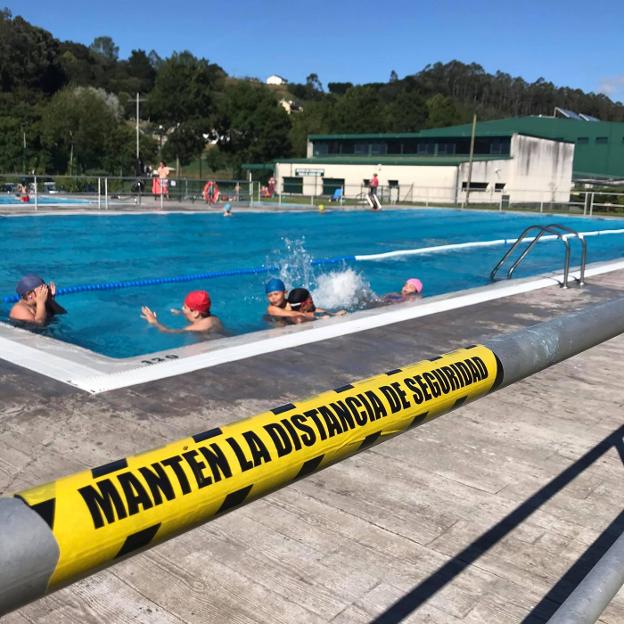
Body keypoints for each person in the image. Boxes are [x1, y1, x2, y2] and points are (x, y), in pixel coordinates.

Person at [141, 290, 222, 334]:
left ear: (195, 313)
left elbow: (168, 331)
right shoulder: (214, 319)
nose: (182, 308)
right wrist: (181, 313)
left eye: (185, 307)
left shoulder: (192, 328)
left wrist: (154, 322)